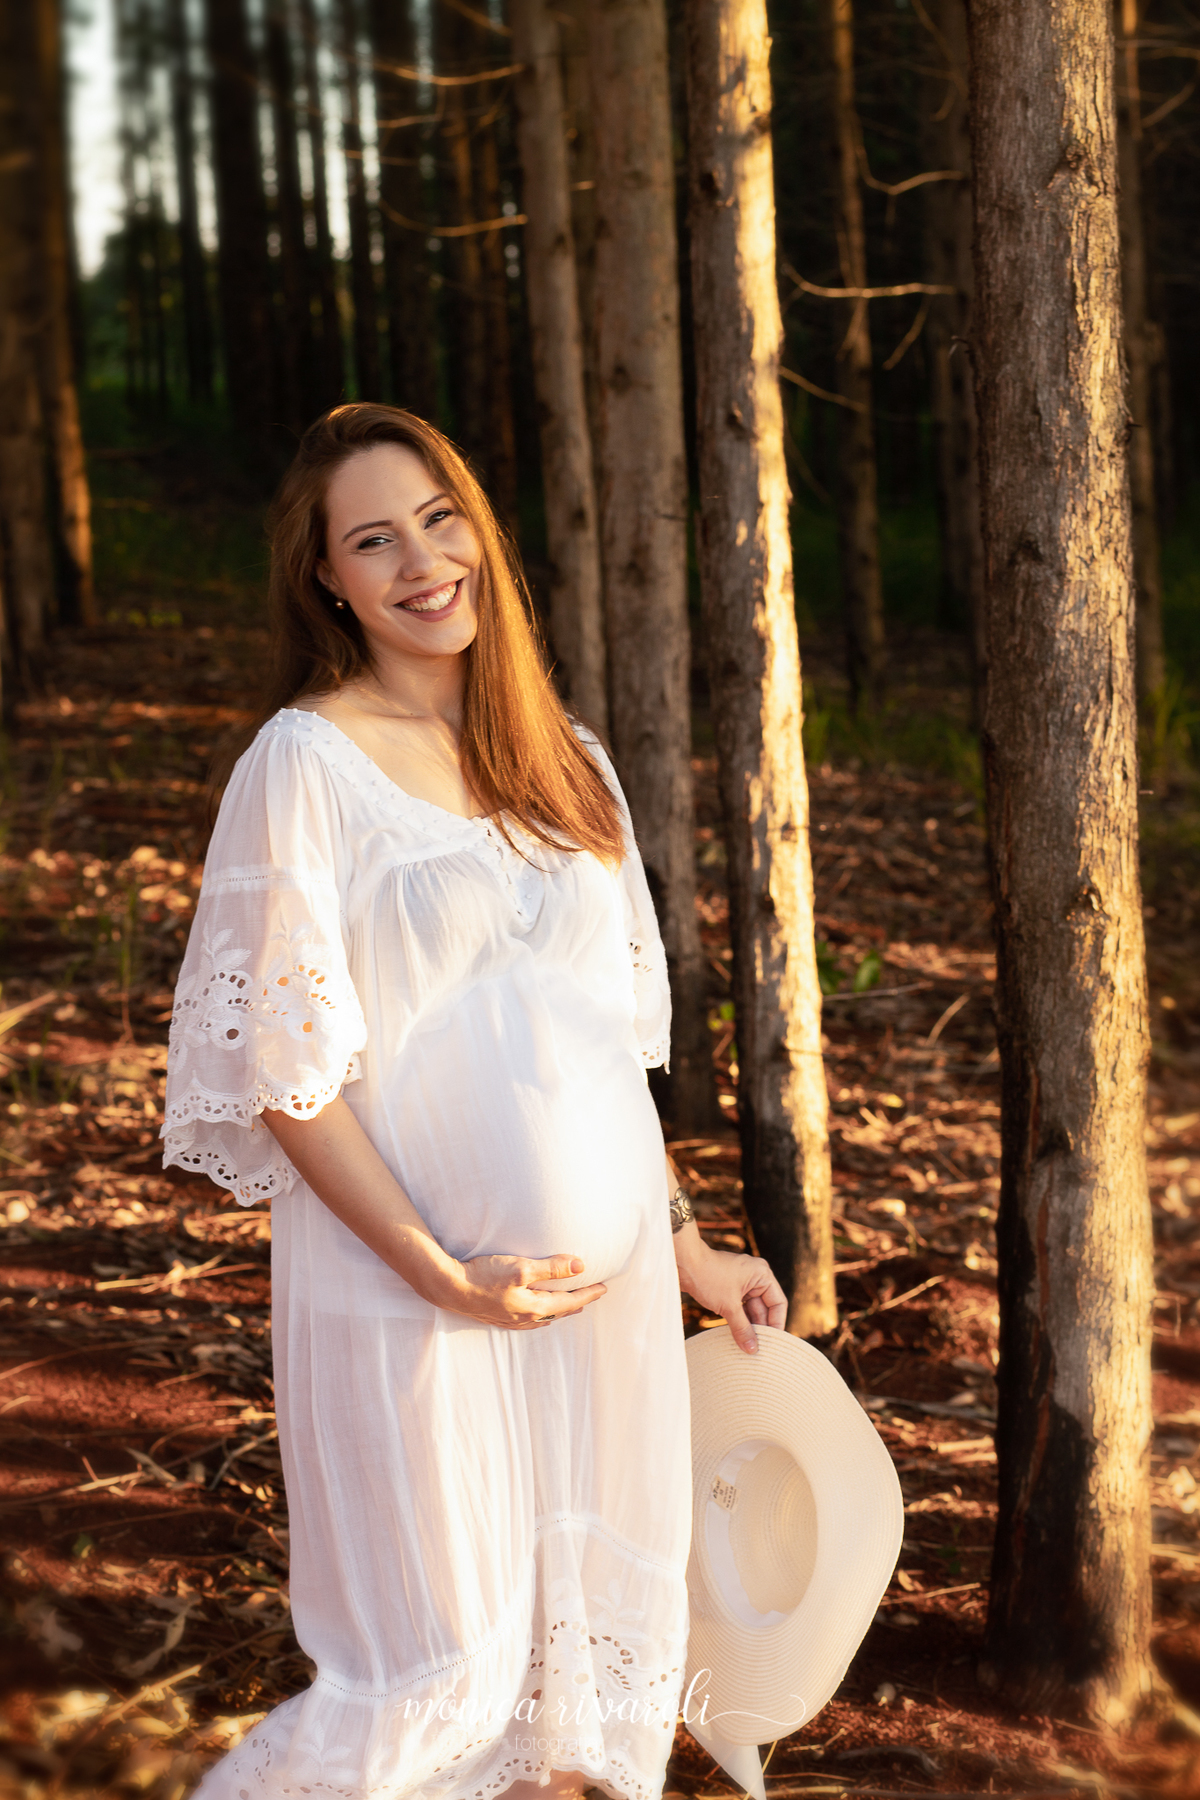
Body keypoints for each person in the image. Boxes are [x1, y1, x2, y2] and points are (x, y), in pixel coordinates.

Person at [162, 404, 787, 1800]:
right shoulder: (304, 764)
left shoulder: (571, 761)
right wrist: (443, 1273)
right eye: (374, 540)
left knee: (574, 1718)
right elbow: (288, 1081)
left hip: (604, 1318)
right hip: (418, 1303)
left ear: (482, 534)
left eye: (441, 520)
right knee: (433, 1690)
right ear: (328, 579)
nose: (421, 562)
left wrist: (688, 1250)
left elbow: (604, 1053)